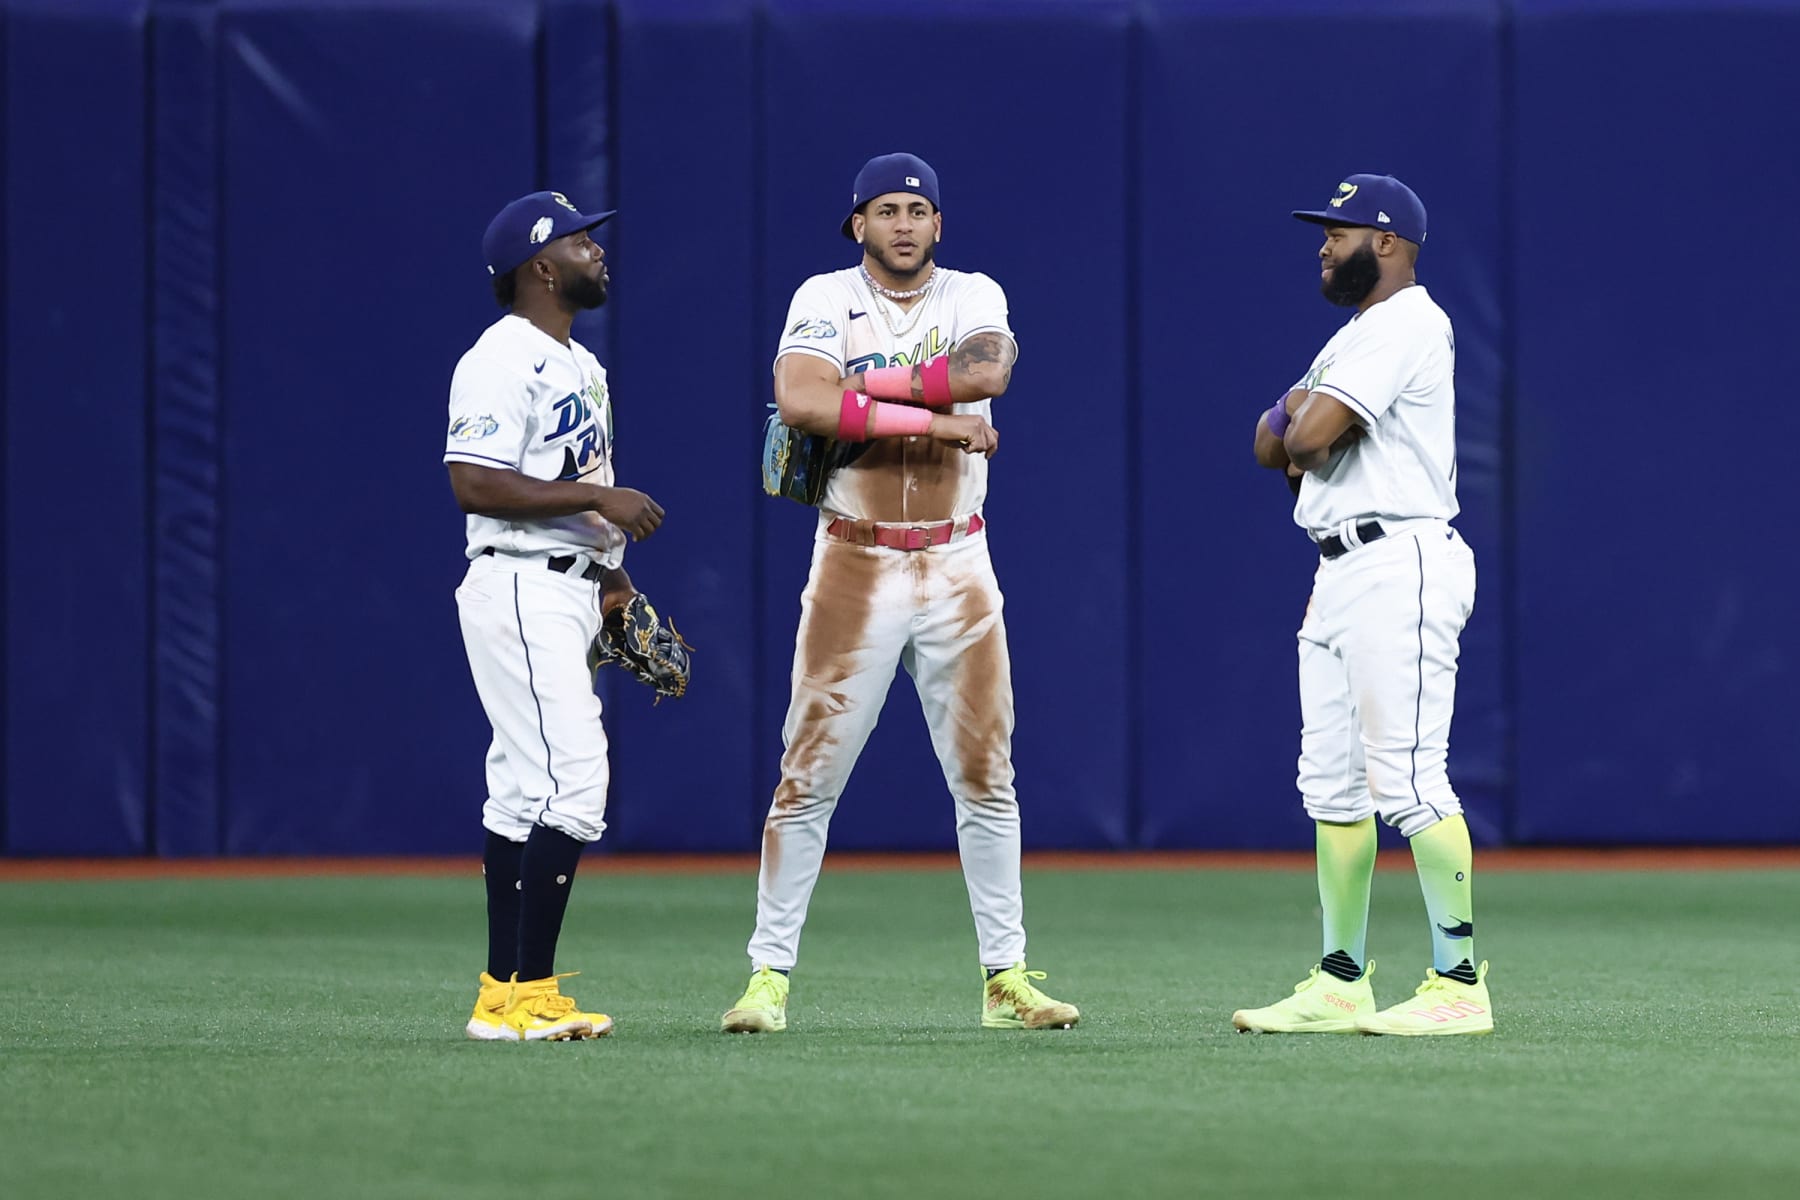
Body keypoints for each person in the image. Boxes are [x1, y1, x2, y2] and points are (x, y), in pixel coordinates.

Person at [720, 153, 1079, 1034]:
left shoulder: (972, 293)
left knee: (987, 777)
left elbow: (985, 373)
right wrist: (936, 419)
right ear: (858, 225)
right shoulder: (822, 295)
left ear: (940, 225)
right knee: (807, 780)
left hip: (958, 561)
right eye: (887, 210)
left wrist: (868, 386)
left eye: (919, 209)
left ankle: (1006, 979)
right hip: (857, 558)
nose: (906, 223)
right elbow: (801, 402)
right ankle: (767, 979)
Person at [1237, 173, 1492, 1036]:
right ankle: (1342, 979)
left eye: (1338, 231)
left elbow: (1300, 438)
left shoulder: (1410, 321)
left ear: (1386, 242)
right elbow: (1269, 443)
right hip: (1339, 569)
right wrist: (1300, 415)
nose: (1323, 243)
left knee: (1411, 780)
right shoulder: (1351, 338)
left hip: (1401, 559)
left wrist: (1303, 418)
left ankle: (1459, 984)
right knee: (1333, 788)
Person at [445, 190, 665, 1041]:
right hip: (520, 581)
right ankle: (526, 994)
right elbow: (474, 479)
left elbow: (575, 489)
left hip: (571, 586)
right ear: (541, 266)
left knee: (520, 791)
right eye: (581, 242)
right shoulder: (499, 357)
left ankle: (503, 994)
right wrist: (599, 496)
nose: (597, 251)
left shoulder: (582, 364)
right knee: (575, 783)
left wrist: (612, 579)